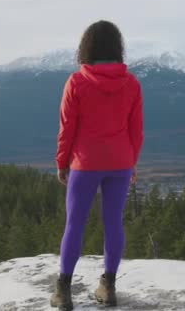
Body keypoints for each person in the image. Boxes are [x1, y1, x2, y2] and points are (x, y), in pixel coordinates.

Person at [50, 20, 144, 311]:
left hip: (85, 163)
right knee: (113, 222)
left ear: (86, 47)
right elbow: (136, 130)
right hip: (120, 163)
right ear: (118, 47)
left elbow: (67, 128)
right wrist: (132, 162)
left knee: (75, 224)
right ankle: (108, 287)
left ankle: (63, 293)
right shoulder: (131, 84)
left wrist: (62, 162)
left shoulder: (76, 82)